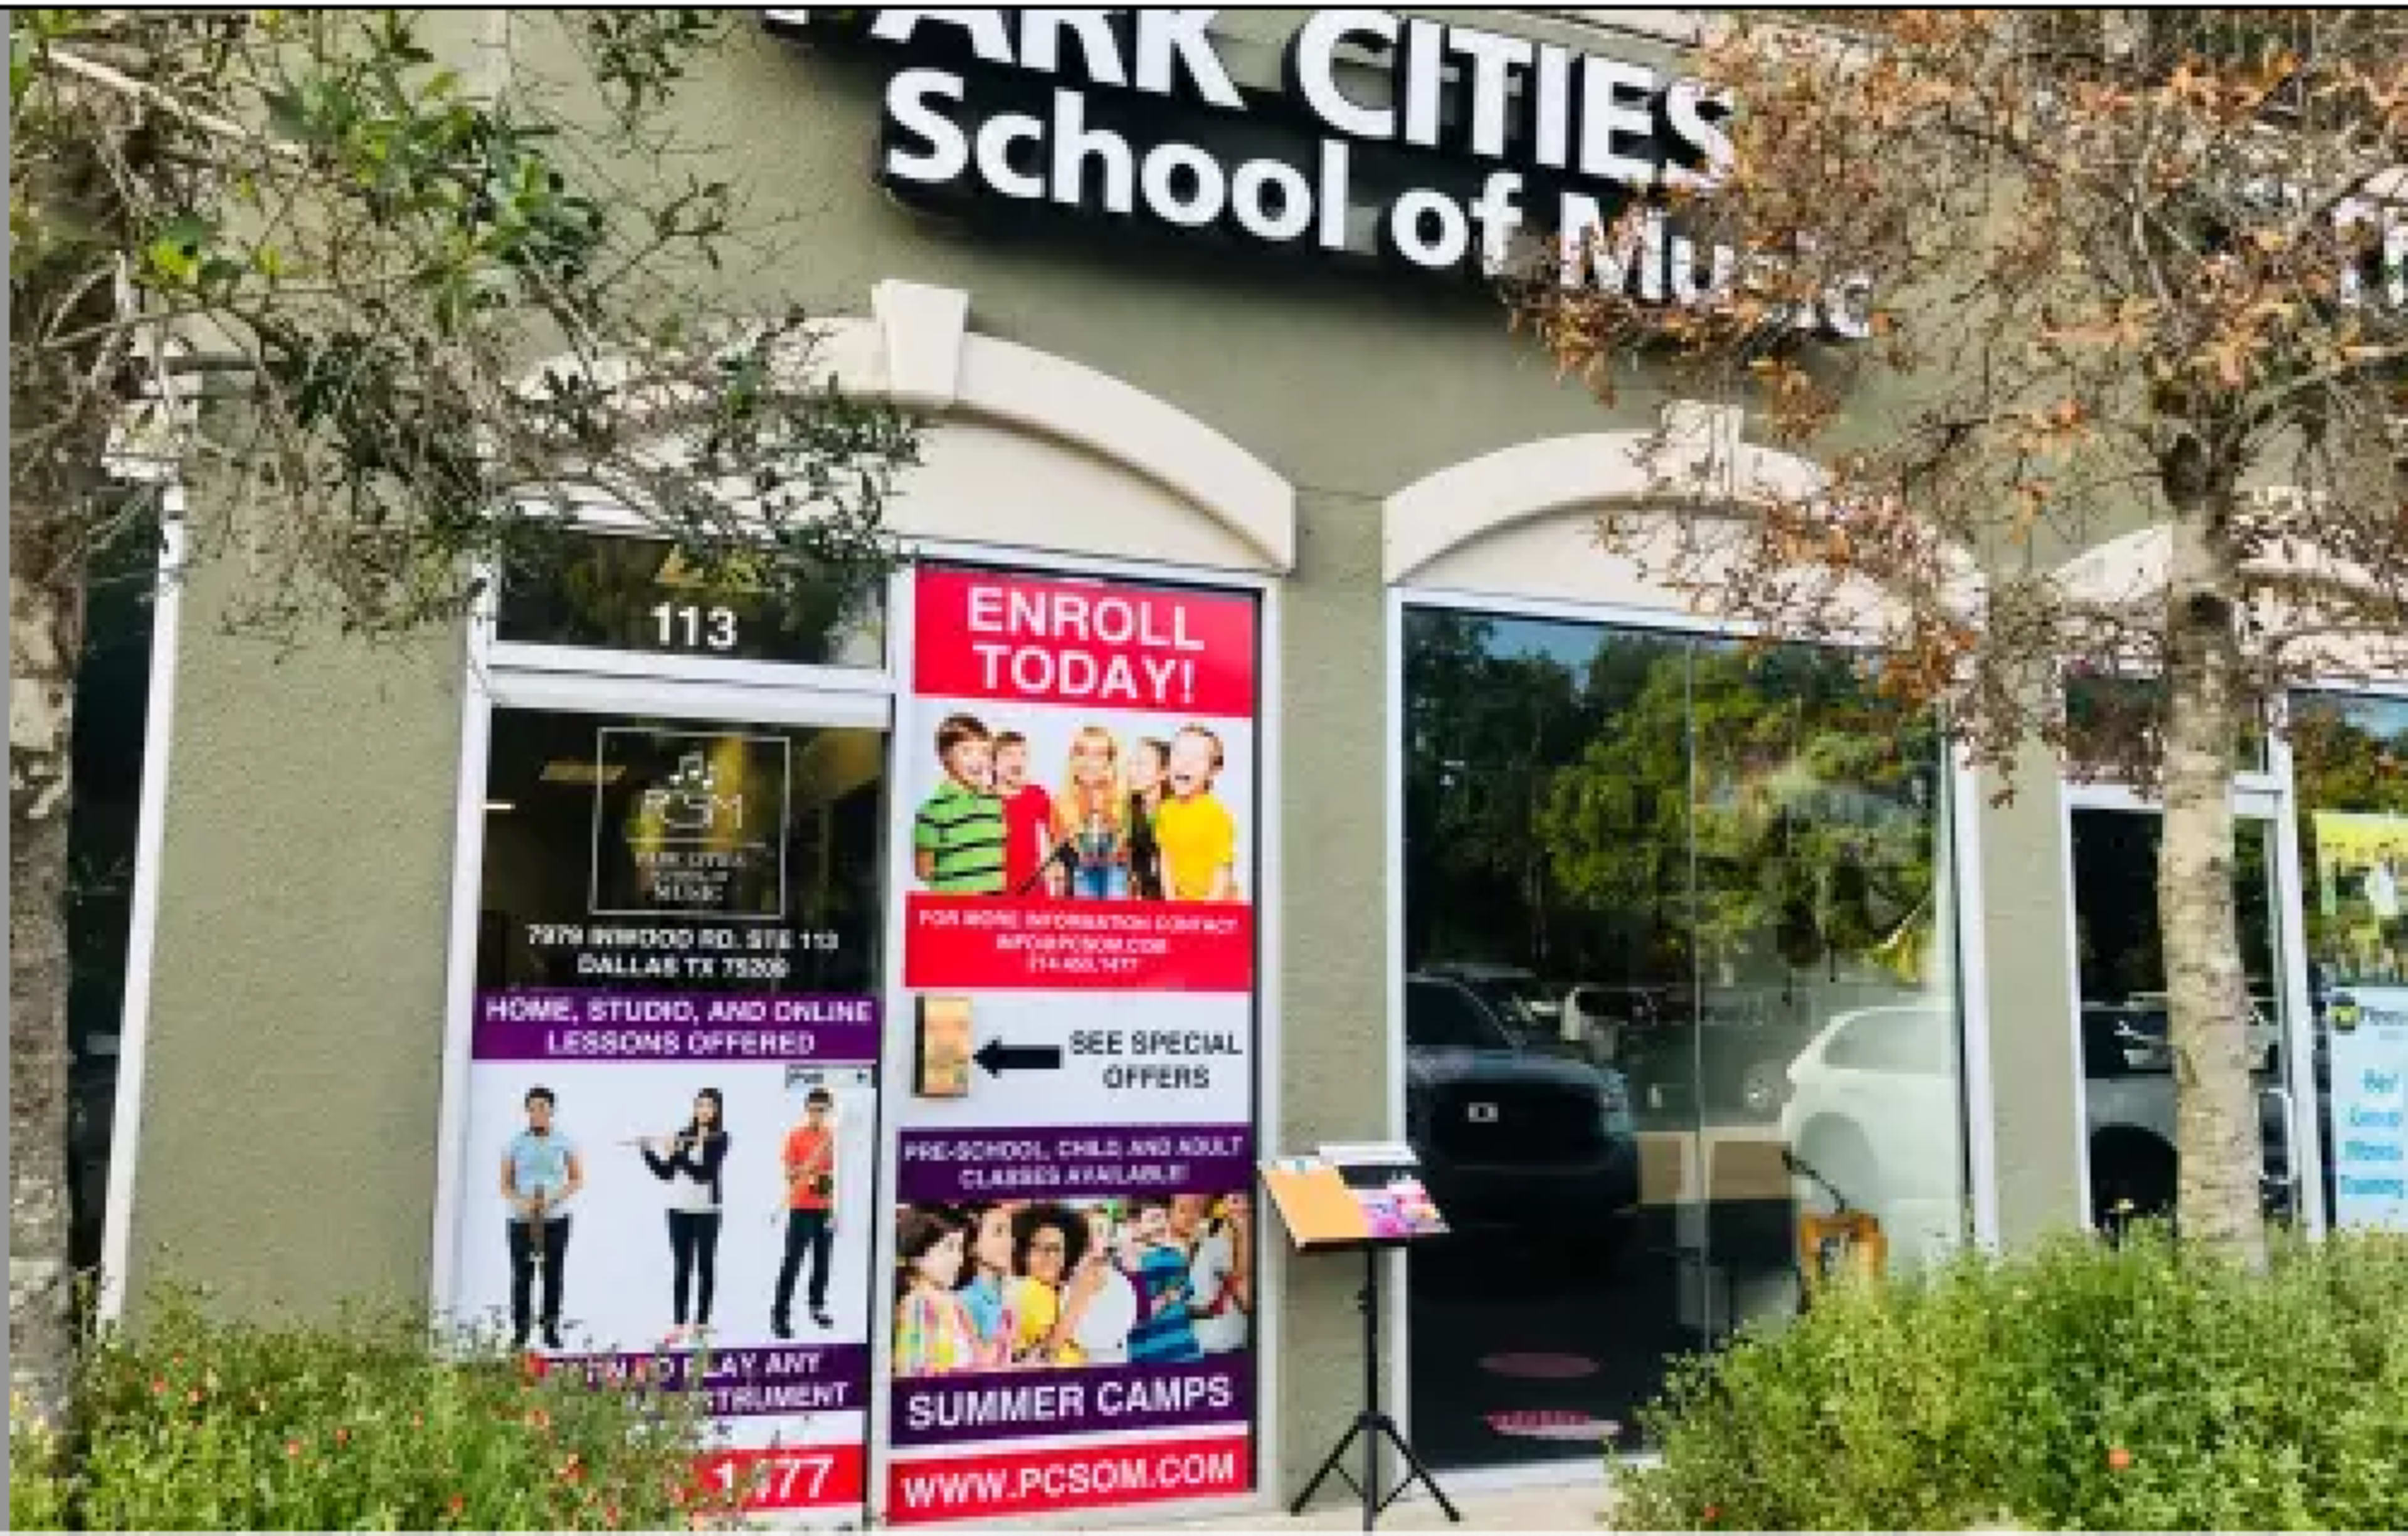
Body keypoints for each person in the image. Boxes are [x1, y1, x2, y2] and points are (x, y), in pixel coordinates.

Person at [639, 1089, 729, 1347]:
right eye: (700, 1105)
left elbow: (704, 1174)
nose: (704, 1110)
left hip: (707, 1211)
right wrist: (648, 1152)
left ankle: (700, 1326)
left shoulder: (719, 1138)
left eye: (709, 1106)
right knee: (682, 1267)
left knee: (706, 1267)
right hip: (678, 1210)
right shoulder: (683, 1136)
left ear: (717, 1110)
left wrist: (677, 1154)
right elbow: (667, 1174)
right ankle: (678, 1326)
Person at [500, 1086, 583, 1351]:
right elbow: (505, 1185)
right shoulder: (514, 1144)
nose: (538, 1113)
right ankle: (521, 1331)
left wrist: (553, 1199)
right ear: (527, 1111)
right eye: (533, 1108)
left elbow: (576, 1179)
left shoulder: (565, 1142)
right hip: (521, 1220)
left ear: (552, 1111)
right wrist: (522, 1203)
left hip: (555, 1219)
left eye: (543, 1108)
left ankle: (550, 1330)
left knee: (553, 1275)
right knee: (522, 1276)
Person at [913, 713, 1006, 895]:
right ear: (946, 756)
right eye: (967, 751)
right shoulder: (933, 810)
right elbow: (924, 871)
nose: (978, 760)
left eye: (984, 752)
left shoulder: (994, 802)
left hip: (993, 909)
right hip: (954, 909)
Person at [773, 1088, 839, 1338]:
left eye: (822, 1111)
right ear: (806, 1110)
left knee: (822, 1262)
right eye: (812, 1110)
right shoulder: (796, 1137)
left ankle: (817, 1306)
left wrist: (822, 1179)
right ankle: (780, 1314)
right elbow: (789, 1175)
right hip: (801, 1208)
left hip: (826, 1210)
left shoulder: (835, 1139)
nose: (817, 1115)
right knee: (792, 1262)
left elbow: (839, 1176)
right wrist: (806, 1171)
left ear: (829, 1112)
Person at [1009, 1202, 1106, 1367]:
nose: (1048, 1256)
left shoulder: (1059, 1290)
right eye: (1037, 1248)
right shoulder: (1026, 1289)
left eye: (1056, 1249)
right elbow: (1046, 1354)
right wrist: (1081, 1296)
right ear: (1022, 1254)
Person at [1156, 725, 1238, 902]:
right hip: (1183, 905)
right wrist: (1171, 901)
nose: (1185, 763)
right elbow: (1166, 860)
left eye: (1197, 758)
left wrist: (1204, 916)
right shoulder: (1165, 810)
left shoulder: (1217, 816)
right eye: (1178, 754)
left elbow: (1223, 876)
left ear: (1212, 771)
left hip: (1216, 905)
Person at [893, 1209, 977, 1377]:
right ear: (918, 1255)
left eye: (960, 1248)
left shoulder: (956, 1304)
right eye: (949, 1247)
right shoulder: (917, 1306)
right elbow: (914, 1375)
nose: (958, 1259)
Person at [1121, 1197, 1204, 1364]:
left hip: (1183, 1351)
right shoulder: (1121, 1267)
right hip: (1148, 1357)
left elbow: (1184, 1298)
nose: (1162, 1225)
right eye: (1154, 1219)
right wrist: (1166, 1297)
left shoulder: (1173, 1256)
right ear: (1134, 1225)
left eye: (1164, 1218)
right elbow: (1131, 1318)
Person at [1052, 725, 1129, 900]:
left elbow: (1127, 851)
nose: (1089, 761)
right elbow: (1059, 854)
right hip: (1081, 881)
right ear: (1073, 759)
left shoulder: (1122, 798)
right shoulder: (1061, 802)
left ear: (1110, 761)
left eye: (1099, 754)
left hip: (1116, 879)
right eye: (1082, 752)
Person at [955, 1202, 1023, 1368]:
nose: (1010, 1241)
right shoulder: (965, 1301)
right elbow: (985, 1364)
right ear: (972, 1245)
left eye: (1010, 1232)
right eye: (998, 1231)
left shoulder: (1007, 1292)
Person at [1185, 1192, 1253, 1355]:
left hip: (1227, 1341)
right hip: (1217, 1345)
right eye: (1236, 1201)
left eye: (1247, 1201)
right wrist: (1244, 1232)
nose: (1244, 1206)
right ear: (1222, 1208)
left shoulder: (1216, 1244)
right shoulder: (1216, 1247)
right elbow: (1246, 1298)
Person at [993, 730, 1057, 895]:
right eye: (1008, 754)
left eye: (1023, 754)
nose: (1017, 760)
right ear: (993, 763)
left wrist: (1053, 862)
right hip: (994, 889)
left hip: (1032, 888)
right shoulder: (983, 798)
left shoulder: (1036, 794)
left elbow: (1057, 833)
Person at [1125, 737, 1170, 901]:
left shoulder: (1178, 812)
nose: (1132, 770)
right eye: (1131, 763)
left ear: (1164, 773)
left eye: (1141, 764)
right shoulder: (1128, 809)